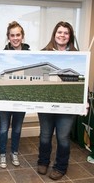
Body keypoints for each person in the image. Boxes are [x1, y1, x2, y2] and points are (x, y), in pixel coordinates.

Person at [37, 21, 78, 181]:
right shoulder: (44, 53)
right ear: (54, 34)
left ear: (70, 36)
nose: (62, 35)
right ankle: (43, 161)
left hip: (67, 105)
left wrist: (84, 102)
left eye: (66, 33)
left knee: (63, 137)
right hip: (46, 103)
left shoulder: (77, 55)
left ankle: (60, 167)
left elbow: (82, 81)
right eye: (59, 32)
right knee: (45, 135)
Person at [0, 21, 30, 169]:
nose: (15, 38)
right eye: (12, 35)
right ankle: (3, 154)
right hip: (5, 98)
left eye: (18, 35)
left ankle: (14, 152)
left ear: (22, 36)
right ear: (8, 37)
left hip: (21, 98)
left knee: (17, 128)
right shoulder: (2, 54)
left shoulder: (30, 55)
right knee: (4, 128)